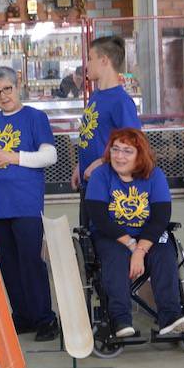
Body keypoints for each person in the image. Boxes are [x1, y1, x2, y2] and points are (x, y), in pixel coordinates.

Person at [0, 66, 59, 341]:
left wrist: (13, 157)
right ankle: (21, 315)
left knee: (31, 261)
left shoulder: (35, 117)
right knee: (8, 263)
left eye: (7, 89)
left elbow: (49, 155)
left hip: (25, 203)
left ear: (17, 85)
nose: (2, 96)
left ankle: (45, 317)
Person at [85, 128, 184, 337]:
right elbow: (99, 217)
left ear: (140, 155)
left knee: (164, 253)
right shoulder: (101, 175)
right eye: (115, 149)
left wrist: (140, 250)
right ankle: (120, 319)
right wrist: (129, 244)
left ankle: (170, 317)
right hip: (112, 234)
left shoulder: (155, 176)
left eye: (127, 151)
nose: (119, 156)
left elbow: (160, 217)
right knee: (115, 257)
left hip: (146, 234)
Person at [73, 36, 141, 229]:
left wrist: (102, 162)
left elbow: (134, 144)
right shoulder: (96, 97)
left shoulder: (120, 101)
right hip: (89, 183)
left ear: (104, 61)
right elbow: (97, 134)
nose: (87, 65)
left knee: (104, 243)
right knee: (88, 243)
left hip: (108, 186)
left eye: (91, 58)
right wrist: (81, 164)